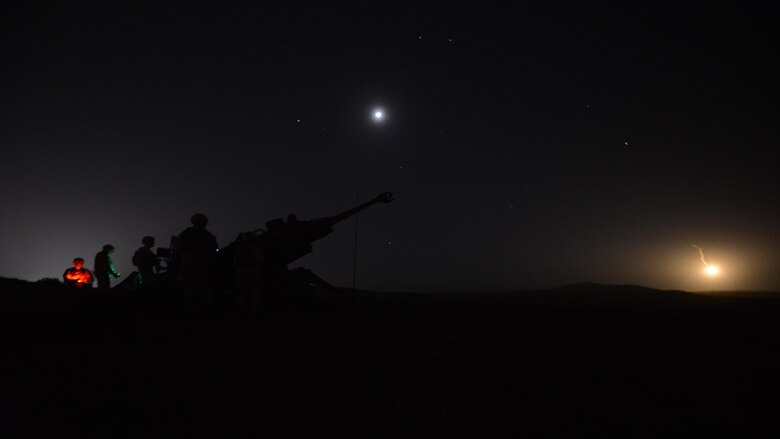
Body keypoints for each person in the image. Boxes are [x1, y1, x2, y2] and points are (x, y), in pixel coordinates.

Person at [175, 213, 219, 305]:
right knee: (204, 287)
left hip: (188, 261)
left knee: (189, 288)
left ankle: (192, 310)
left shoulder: (185, 233)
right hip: (202, 261)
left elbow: (178, 249)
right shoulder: (208, 235)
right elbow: (214, 250)